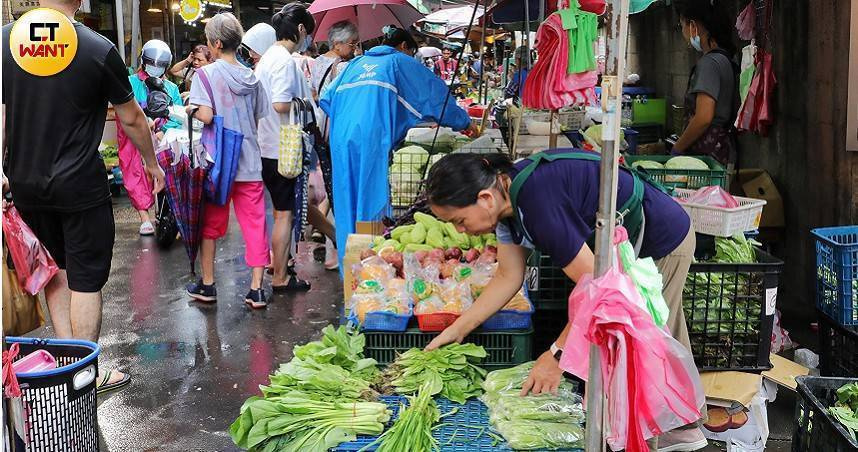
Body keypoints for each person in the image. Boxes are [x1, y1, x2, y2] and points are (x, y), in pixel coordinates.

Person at [423, 151, 708, 452]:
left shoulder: (536, 203)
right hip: (628, 249)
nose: (460, 230)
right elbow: (508, 275)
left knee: (641, 344)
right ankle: (680, 427)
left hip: (659, 241)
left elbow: (600, 290)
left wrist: (557, 355)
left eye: (459, 220)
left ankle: (665, 435)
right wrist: (457, 329)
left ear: (485, 198)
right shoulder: (509, 205)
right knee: (657, 335)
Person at [2, 0, 165, 394]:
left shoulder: (5, 42)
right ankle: (85, 373)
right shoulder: (95, 48)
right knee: (86, 280)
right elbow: (131, 116)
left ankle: (66, 368)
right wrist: (151, 163)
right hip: (80, 185)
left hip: (25, 185)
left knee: (55, 271)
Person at [320, 26, 475, 269]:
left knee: (346, 199)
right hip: (372, 135)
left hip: (341, 138)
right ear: (404, 47)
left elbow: (326, 98)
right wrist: (464, 122)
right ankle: (369, 270)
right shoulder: (399, 62)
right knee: (371, 201)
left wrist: (352, 115)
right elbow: (435, 97)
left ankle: (348, 271)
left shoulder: (355, 64)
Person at [185, 13, 271, 308]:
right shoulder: (253, 77)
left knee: (210, 226)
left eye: (209, 40)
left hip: (219, 165)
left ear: (218, 44)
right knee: (255, 225)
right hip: (249, 161)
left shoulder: (205, 75)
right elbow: (258, 117)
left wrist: (191, 107)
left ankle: (208, 285)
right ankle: (257, 289)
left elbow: (207, 116)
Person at [254, 3, 336, 295]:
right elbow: (280, 104)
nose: (308, 39)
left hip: (268, 145)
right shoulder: (284, 61)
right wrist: (306, 104)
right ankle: (280, 277)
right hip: (283, 148)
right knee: (284, 214)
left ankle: (331, 238)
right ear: (300, 29)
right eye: (308, 33)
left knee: (288, 207)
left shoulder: (266, 59)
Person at [117, 39, 183, 236]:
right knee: (134, 171)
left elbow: (178, 115)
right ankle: (144, 217)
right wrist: (143, 123)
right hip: (134, 137)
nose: (155, 68)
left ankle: (165, 213)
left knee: (166, 172)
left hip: (163, 138)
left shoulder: (171, 88)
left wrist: (163, 130)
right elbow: (124, 109)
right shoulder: (130, 83)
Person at [671, 0, 739, 167]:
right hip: (722, 150)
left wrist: (677, 148)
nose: (683, 32)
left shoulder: (709, 64)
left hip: (707, 154)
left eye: (682, 25)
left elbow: (703, 117)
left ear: (693, 26)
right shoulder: (725, 59)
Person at [310, 20, 359, 102]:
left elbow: (312, 92)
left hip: (320, 109)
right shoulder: (343, 66)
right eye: (352, 44)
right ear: (337, 44)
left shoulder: (318, 61)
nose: (355, 48)